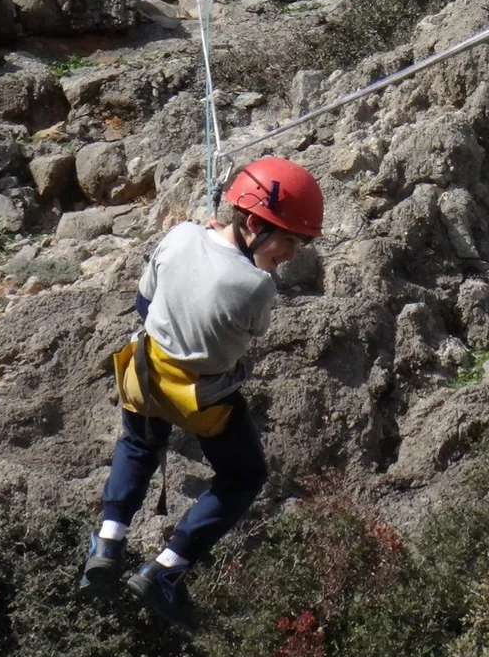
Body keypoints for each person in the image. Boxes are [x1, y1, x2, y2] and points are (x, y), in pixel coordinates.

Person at [80, 157, 325, 630]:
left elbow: (143, 303)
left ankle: (109, 543)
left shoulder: (180, 236)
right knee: (243, 477)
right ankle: (165, 570)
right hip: (203, 399)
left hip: (145, 377)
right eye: (289, 240)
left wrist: (202, 245)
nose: (293, 253)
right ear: (253, 223)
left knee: (138, 444)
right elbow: (248, 337)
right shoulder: (257, 286)